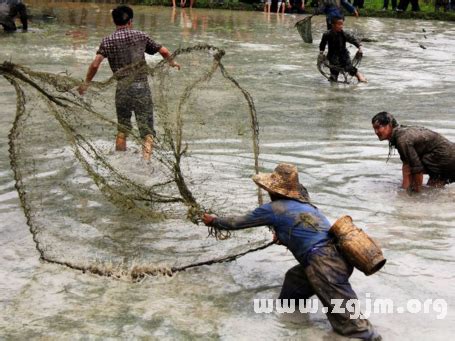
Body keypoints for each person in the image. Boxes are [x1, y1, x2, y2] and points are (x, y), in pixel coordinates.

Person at [203, 163, 381, 340]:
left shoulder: (274, 208)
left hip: (324, 265)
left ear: (273, 190)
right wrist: (284, 237)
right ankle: (295, 327)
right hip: (335, 259)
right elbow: (305, 233)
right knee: (292, 288)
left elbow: (237, 222)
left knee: (354, 327)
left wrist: (214, 221)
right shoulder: (307, 207)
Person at [77, 5, 180, 161]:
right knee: (147, 132)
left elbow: (95, 64)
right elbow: (164, 51)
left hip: (122, 89)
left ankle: (120, 162)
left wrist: (86, 83)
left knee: (122, 129)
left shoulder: (107, 41)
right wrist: (172, 63)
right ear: (130, 21)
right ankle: (146, 165)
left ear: (114, 21)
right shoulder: (141, 36)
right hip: (141, 88)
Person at [372, 112, 455, 192]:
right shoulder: (401, 134)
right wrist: (405, 188)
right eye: (374, 128)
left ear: (389, 125)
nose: (376, 132)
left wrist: (416, 192)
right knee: (433, 190)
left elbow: (416, 168)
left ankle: (414, 195)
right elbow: (406, 164)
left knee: (413, 172)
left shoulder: (402, 139)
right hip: (446, 159)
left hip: (447, 159)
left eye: (378, 127)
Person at [319, 16, 367, 83]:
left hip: (343, 54)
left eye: (342, 24)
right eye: (339, 24)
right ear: (333, 25)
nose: (341, 26)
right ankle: (333, 84)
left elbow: (353, 40)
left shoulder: (344, 34)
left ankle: (359, 75)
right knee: (334, 72)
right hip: (332, 55)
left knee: (349, 68)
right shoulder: (327, 34)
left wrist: (359, 48)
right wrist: (321, 53)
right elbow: (322, 44)